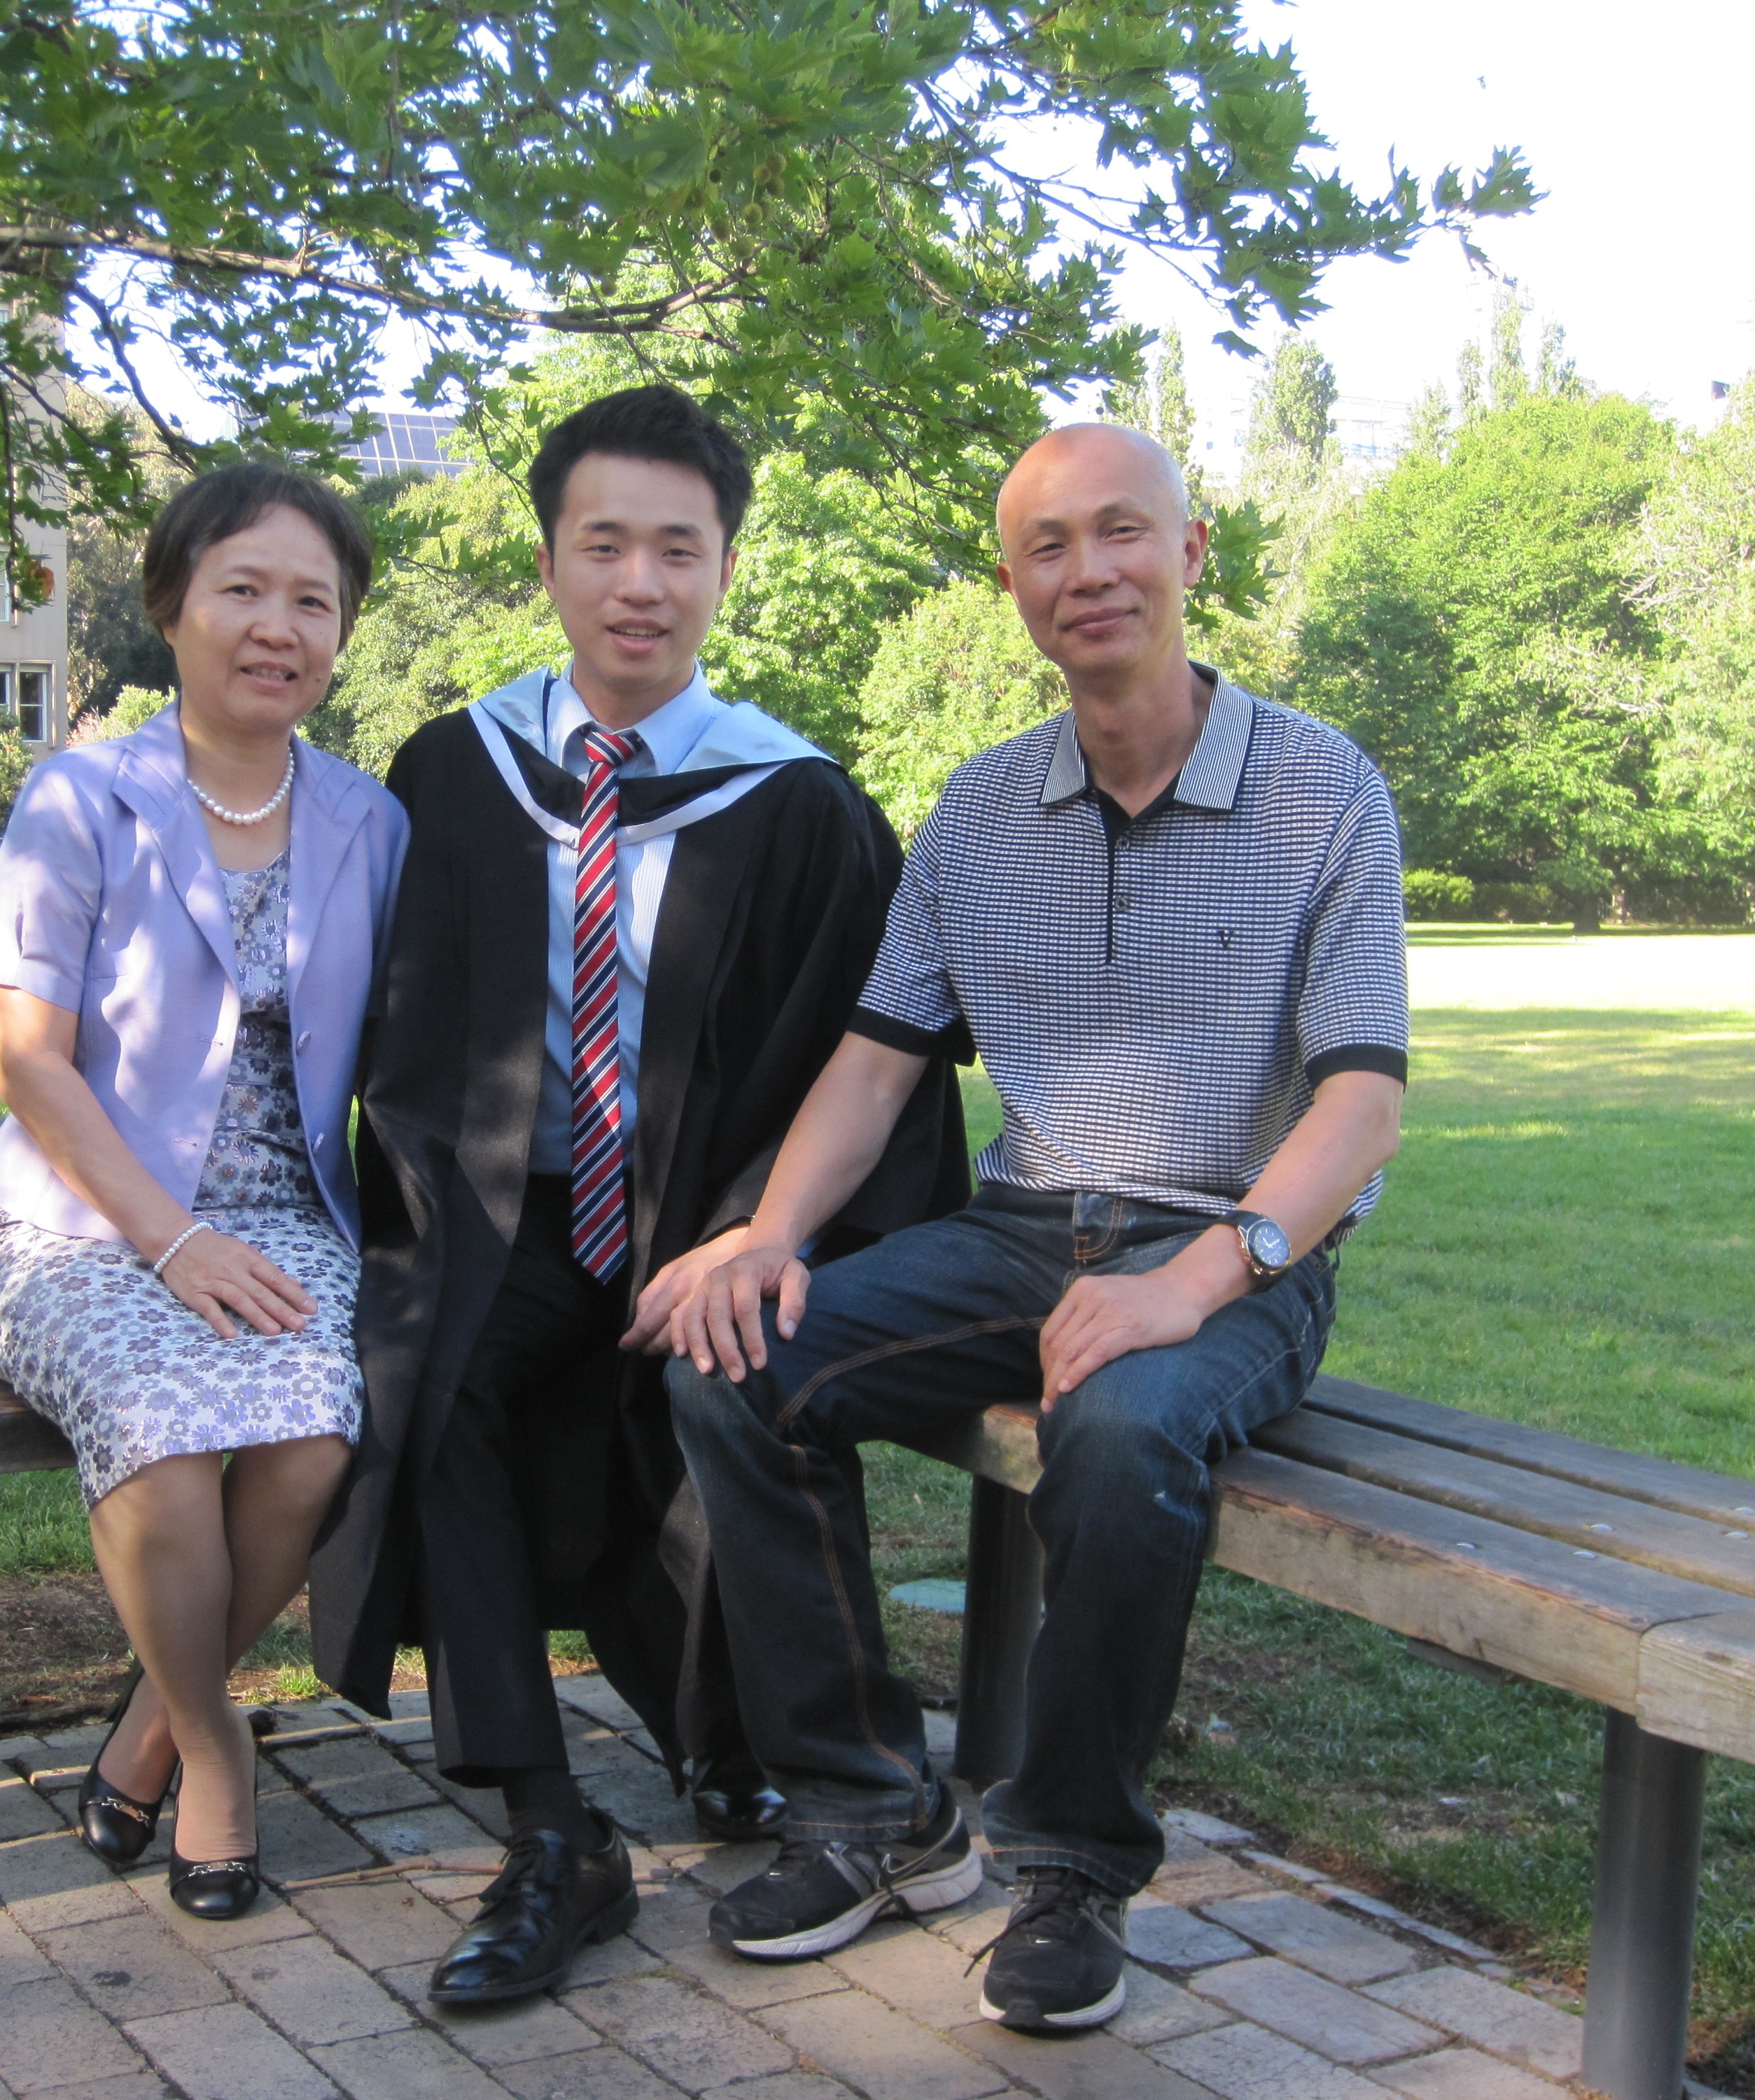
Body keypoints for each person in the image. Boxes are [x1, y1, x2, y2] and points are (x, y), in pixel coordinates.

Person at [659, 424, 1408, 2032]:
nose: (1089, 573)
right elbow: (874, 1066)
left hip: (1234, 1249)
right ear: (1010, 586)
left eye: (1120, 533)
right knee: (735, 1359)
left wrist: (1189, 1286)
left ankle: (1067, 1866)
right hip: (1015, 1235)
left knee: (1120, 1428)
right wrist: (771, 1235)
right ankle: (871, 1806)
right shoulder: (982, 808)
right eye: (1046, 547)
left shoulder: (1319, 787)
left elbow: (1355, 1113)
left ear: (1190, 551)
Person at [309, 384, 967, 2005]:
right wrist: (424, 1218)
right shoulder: (458, 770)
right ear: (548, 561)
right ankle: (548, 1830)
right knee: (429, 1372)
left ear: (725, 570)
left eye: (678, 549)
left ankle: (742, 1745)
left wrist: (757, 1236)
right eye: (603, 544)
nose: (639, 583)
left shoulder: (795, 802)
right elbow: (393, 1033)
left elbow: (863, 1064)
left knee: (726, 1363)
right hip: (511, 1217)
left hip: (706, 1219)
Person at [0, 463, 407, 1922]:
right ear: (170, 606)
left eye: (313, 601)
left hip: (293, 1222)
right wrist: (170, 1244)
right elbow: (30, 1064)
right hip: (82, 1225)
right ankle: (215, 1748)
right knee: (161, 1440)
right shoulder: (77, 799)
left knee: (311, 1437)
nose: (277, 626)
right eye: (243, 589)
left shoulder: (369, 821)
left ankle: (148, 1721)